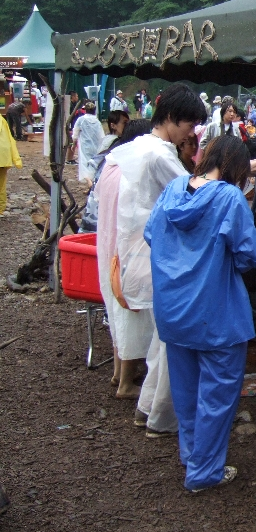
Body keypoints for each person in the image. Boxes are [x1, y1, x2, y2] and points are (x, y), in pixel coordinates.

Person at [145, 135, 256, 492]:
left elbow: (152, 235)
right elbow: (251, 254)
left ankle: (192, 454)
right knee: (217, 395)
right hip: (217, 313)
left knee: (186, 390)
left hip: (173, 309)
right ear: (237, 167)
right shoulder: (229, 197)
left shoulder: (172, 189)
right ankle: (204, 472)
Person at [105, 83, 207, 437]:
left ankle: (149, 406)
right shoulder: (160, 155)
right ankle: (160, 416)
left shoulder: (140, 146)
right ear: (171, 118)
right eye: (189, 125)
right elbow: (194, 194)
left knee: (162, 339)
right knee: (171, 339)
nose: (190, 133)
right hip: (156, 257)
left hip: (138, 253)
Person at [93, 119, 154, 398]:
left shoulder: (110, 164)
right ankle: (126, 383)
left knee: (117, 312)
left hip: (108, 249)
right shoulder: (130, 170)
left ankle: (119, 373)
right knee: (131, 315)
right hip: (128, 251)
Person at [72, 102, 105, 182]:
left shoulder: (81, 120)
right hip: (96, 146)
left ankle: (89, 182)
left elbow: (75, 133)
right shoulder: (97, 121)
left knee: (85, 164)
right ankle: (93, 181)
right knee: (94, 164)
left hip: (84, 146)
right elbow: (102, 136)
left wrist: (73, 144)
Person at [0, 112, 22, 214]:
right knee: (1, 183)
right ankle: (0, 208)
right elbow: (10, 139)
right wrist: (16, 159)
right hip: (4, 155)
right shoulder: (2, 120)